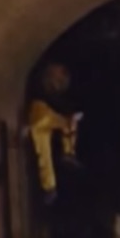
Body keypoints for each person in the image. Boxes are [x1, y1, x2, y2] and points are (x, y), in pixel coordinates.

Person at [27, 63, 83, 204]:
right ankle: (68, 152)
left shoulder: (53, 95)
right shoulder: (42, 83)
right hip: (40, 113)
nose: (57, 85)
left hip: (41, 120)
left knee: (44, 149)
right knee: (69, 123)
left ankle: (49, 187)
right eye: (58, 80)